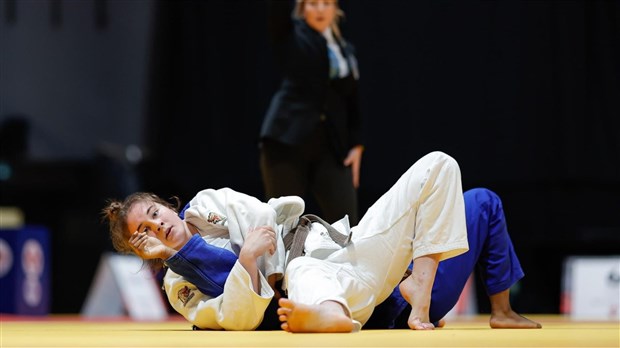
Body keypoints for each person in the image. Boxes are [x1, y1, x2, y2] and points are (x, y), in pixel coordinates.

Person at [102, 151, 540, 331]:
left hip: (347, 247)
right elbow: (234, 317)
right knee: (299, 270)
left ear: (166, 204)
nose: (157, 229)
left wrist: (258, 259)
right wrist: (184, 255)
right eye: (143, 235)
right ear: (141, 252)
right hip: (338, 289)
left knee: (472, 193)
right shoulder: (179, 286)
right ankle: (344, 315)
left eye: (154, 216)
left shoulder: (208, 205)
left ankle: (497, 309)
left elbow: (262, 221)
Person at [259, 0, 363, 225]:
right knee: (282, 225)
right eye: (313, 3)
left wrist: (357, 145)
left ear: (335, 8)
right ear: (302, 8)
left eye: (326, 3)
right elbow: (276, 13)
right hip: (287, 142)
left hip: (330, 146)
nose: (320, 9)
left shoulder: (344, 49)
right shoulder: (294, 36)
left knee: (347, 224)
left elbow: (351, 100)